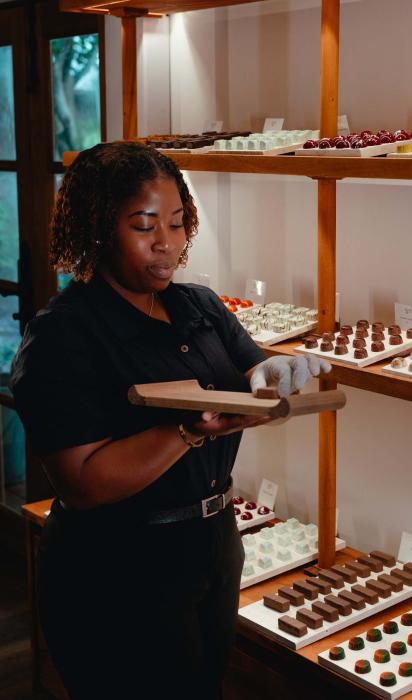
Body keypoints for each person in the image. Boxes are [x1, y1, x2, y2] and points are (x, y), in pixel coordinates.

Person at [10, 141, 330, 700]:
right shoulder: (64, 336)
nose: (168, 242)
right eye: (144, 225)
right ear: (100, 228)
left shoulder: (200, 306)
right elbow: (82, 482)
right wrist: (187, 431)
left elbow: (251, 369)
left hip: (211, 543)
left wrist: (272, 374)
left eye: (179, 223)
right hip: (116, 566)